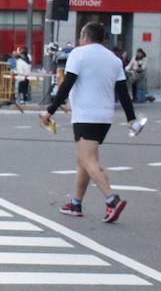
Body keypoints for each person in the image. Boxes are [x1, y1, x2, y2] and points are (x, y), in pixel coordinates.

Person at [40, 21, 139, 222]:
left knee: (88, 160)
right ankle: (76, 203)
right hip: (105, 116)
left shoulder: (79, 54)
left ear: (85, 36)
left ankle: (111, 199)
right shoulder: (113, 59)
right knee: (83, 160)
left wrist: (50, 110)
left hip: (85, 114)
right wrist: (131, 118)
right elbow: (123, 92)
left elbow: (67, 84)